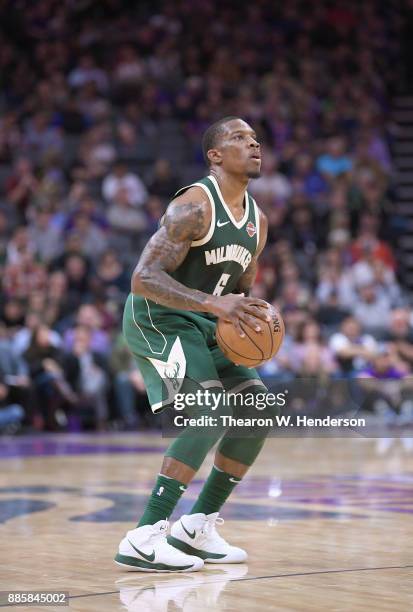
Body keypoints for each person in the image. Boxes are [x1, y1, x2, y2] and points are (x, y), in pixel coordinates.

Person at [115, 117, 272, 572]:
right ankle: (144, 535)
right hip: (157, 319)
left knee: (258, 408)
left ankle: (196, 526)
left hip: (205, 326)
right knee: (211, 410)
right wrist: (212, 303)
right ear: (215, 156)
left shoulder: (258, 222)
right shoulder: (194, 206)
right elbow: (142, 278)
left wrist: (250, 317)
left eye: (256, 139)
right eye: (239, 139)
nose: (253, 143)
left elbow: (238, 291)